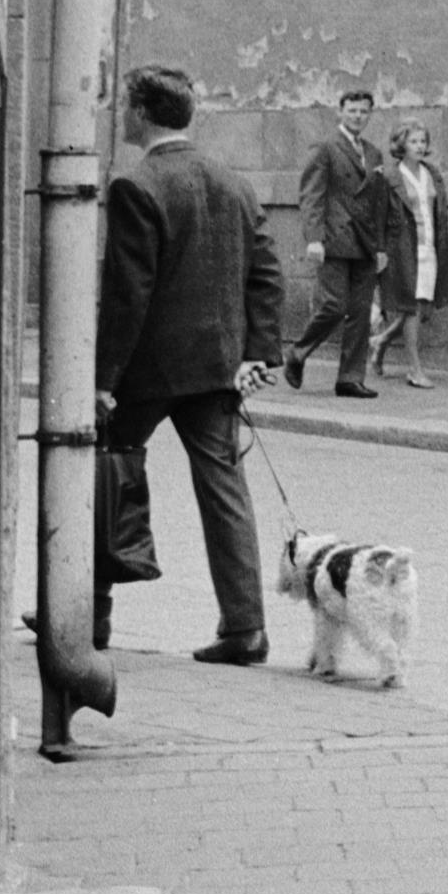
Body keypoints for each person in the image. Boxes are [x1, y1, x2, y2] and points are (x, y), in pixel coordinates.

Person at [81, 65, 285, 741]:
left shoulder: (136, 184)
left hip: (148, 370)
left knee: (101, 472)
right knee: (225, 490)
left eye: (126, 105)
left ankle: (88, 617)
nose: (122, 114)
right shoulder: (232, 181)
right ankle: (246, 627)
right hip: (217, 366)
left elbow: (128, 293)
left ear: (142, 112)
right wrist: (259, 353)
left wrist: (103, 377)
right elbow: (266, 274)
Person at [285, 84, 389, 398]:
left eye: (363, 111)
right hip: (334, 238)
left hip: (366, 242)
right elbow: (311, 196)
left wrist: (381, 246)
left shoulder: (373, 153)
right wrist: (314, 239)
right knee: (333, 305)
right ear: (340, 112)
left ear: (370, 115)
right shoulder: (325, 147)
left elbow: (378, 202)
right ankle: (297, 353)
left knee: (360, 312)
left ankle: (349, 378)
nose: (358, 116)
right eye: (352, 110)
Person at [379, 123, 448, 385]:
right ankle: (414, 369)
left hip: (430, 247)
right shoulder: (390, 177)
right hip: (403, 248)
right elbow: (379, 216)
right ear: (401, 145)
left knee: (422, 308)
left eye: (423, 141)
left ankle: (380, 341)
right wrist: (380, 251)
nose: (420, 146)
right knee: (410, 308)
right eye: (414, 142)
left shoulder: (431, 173)